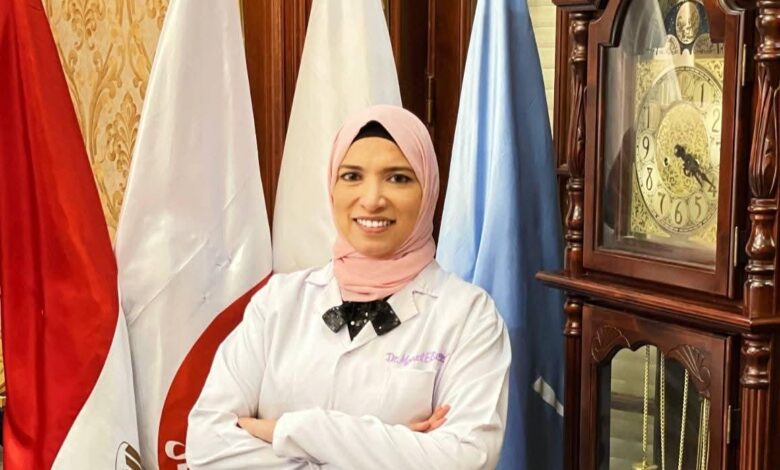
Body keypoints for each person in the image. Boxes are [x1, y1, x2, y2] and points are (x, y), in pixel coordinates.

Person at [186, 105, 511, 469]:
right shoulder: (278, 302)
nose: (371, 199)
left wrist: (296, 430)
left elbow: (465, 458)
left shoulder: (469, 316)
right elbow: (205, 444)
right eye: (352, 176)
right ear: (332, 187)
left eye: (398, 178)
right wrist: (390, 450)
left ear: (428, 191)